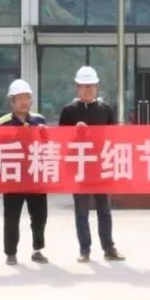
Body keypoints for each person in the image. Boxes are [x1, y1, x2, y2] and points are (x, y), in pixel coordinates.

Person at [59, 66, 125, 263]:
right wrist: (74, 132)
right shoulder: (69, 111)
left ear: (97, 87)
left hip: (101, 167)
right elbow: (61, 141)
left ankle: (108, 247)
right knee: (81, 211)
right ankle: (85, 249)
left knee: (104, 210)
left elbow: (113, 137)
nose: (87, 90)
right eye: (83, 86)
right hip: (79, 168)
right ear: (77, 88)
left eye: (91, 86)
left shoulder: (105, 109)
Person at [0, 79, 49, 266]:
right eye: (19, 98)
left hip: (35, 176)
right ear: (12, 101)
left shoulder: (39, 121)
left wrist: (45, 134)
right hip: (13, 178)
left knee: (39, 216)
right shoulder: (2, 123)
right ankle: (11, 252)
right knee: (11, 217)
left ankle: (37, 249)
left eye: (27, 98)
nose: (24, 102)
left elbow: (48, 147)